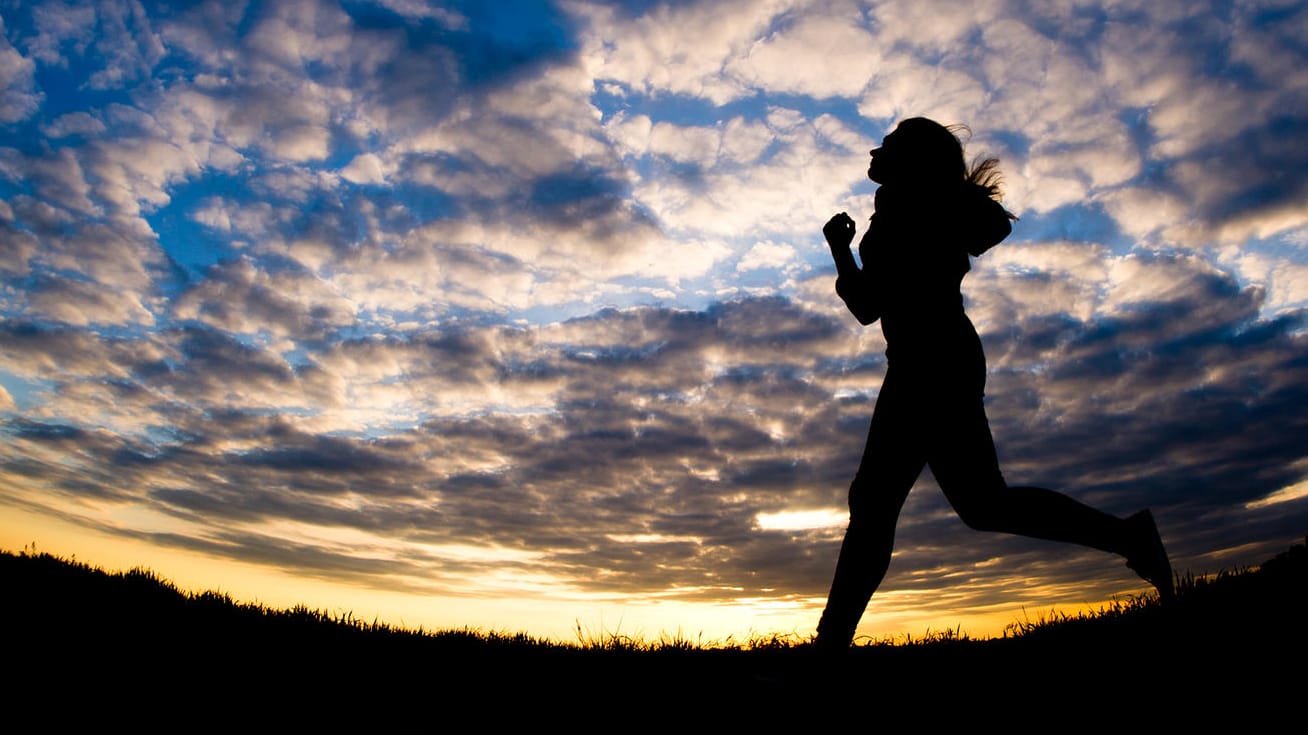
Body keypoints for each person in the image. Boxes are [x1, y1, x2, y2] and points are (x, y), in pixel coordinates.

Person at [815, 117, 1173, 650]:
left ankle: (829, 648)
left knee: (878, 501)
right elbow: (875, 305)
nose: (873, 150)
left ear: (912, 158)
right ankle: (1128, 535)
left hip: (933, 365)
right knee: (978, 505)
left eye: (887, 144)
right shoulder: (899, 208)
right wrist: (844, 247)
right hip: (927, 362)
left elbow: (876, 301)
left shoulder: (909, 209)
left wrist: (848, 246)